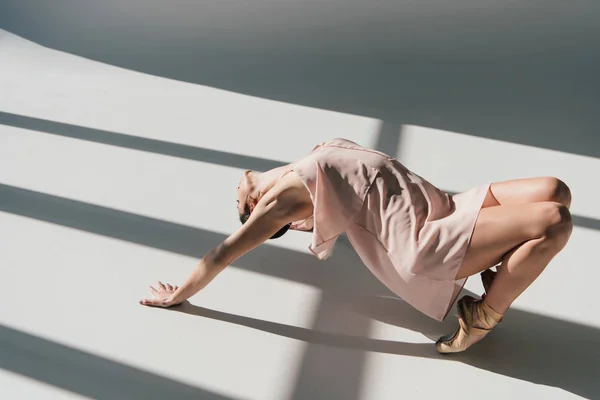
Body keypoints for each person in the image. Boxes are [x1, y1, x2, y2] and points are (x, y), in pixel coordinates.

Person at [140, 138, 573, 354]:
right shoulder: (279, 200)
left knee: (556, 190)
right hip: (429, 239)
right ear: (253, 206)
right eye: (242, 205)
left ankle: (504, 268)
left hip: (447, 206)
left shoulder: (305, 160)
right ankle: (481, 316)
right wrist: (180, 294)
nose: (238, 188)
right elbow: (224, 253)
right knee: (555, 221)